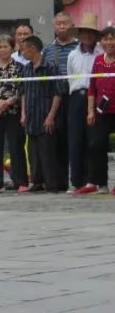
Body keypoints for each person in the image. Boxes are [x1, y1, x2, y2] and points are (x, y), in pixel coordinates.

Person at [19, 35, 65, 194]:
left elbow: (58, 93)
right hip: (31, 115)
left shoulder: (51, 66)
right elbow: (23, 92)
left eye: (23, 48)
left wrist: (51, 115)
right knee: (33, 152)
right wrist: (23, 113)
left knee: (48, 151)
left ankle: (52, 184)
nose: (22, 52)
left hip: (45, 113)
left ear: (32, 49)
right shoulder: (26, 68)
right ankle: (37, 181)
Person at [0, 35, 27, 193]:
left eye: (5, 46)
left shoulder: (19, 67)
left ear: (12, 47)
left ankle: (20, 181)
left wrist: (6, 104)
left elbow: (20, 89)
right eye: (0, 47)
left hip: (13, 111)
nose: (2, 50)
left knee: (16, 147)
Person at [43, 12, 78, 192]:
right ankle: (58, 181)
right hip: (53, 99)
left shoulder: (79, 47)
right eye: (58, 24)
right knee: (54, 139)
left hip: (74, 97)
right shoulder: (48, 50)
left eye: (65, 23)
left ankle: (78, 180)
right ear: (53, 27)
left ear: (72, 25)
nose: (62, 27)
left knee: (74, 139)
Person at [67, 14, 102, 194]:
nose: (87, 36)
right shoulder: (73, 54)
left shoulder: (100, 54)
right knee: (75, 139)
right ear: (79, 35)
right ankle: (76, 180)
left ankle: (92, 179)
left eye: (91, 33)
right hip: (76, 97)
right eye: (84, 33)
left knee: (93, 139)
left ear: (96, 36)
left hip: (94, 98)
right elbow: (69, 78)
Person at [87, 26, 115, 195]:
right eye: (105, 39)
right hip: (101, 111)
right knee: (96, 144)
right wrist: (91, 111)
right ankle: (101, 183)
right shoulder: (97, 60)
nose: (109, 42)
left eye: (112, 38)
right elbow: (92, 88)